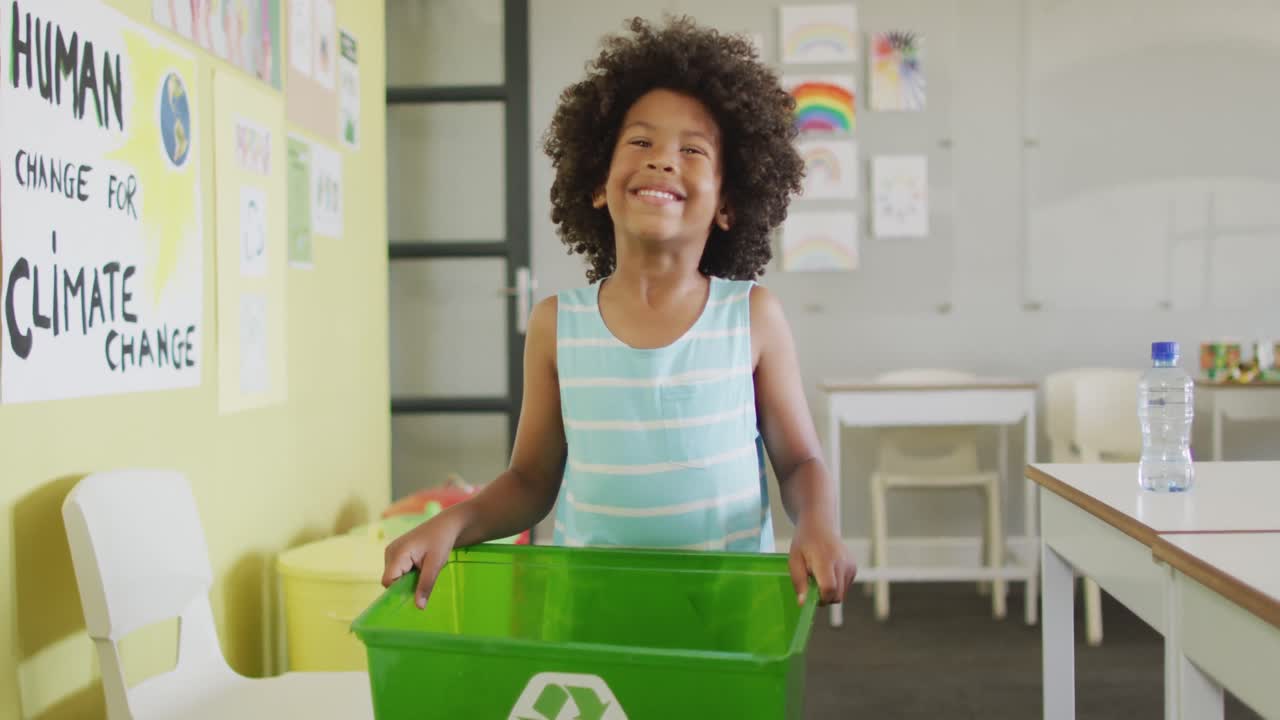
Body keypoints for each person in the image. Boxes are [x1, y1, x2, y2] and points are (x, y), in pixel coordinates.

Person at [383, 15, 856, 610]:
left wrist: (817, 522)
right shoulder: (557, 325)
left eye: (692, 149)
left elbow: (801, 462)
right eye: (640, 142)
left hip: (728, 612)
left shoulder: (752, 316)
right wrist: (455, 521)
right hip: (592, 612)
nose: (663, 159)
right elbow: (530, 482)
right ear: (599, 184)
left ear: (729, 202)